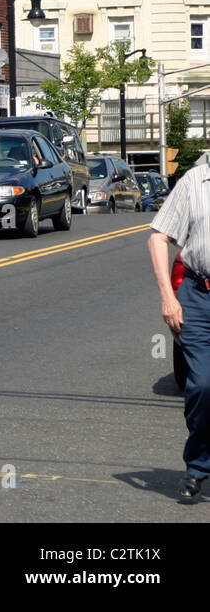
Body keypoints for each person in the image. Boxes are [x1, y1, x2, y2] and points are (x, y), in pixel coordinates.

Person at [148, 164, 210, 502]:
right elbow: (159, 237)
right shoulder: (194, 181)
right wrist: (168, 297)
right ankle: (198, 468)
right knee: (201, 384)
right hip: (198, 295)